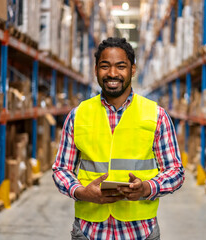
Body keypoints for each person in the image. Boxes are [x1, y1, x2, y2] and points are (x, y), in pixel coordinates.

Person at [52, 37, 185, 240]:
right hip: (89, 231)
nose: (112, 73)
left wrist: (147, 188)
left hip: (140, 231)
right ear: (96, 69)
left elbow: (175, 171)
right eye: (105, 66)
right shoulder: (78, 115)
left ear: (132, 70)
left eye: (120, 66)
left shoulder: (156, 115)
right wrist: (80, 191)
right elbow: (61, 169)